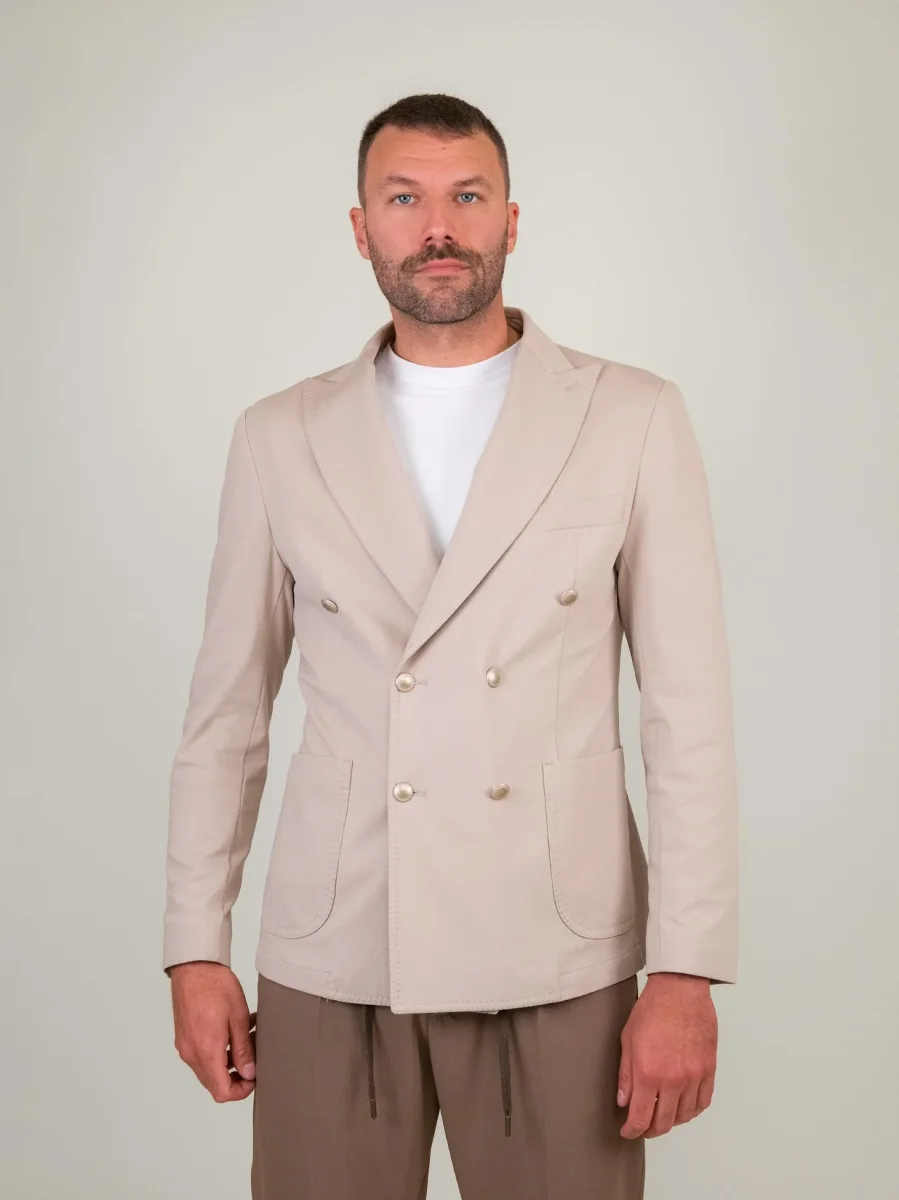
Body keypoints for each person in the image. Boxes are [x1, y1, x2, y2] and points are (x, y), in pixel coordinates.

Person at [163, 92, 739, 1199]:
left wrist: (685, 970)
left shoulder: (629, 417)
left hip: (555, 944)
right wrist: (195, 948)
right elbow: (225, 717)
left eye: (467, 196)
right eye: (404, 199)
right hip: (335, 941)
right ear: (360, 227)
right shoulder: (279, 436)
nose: (438, 226)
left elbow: (689, 720)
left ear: (510, 220)